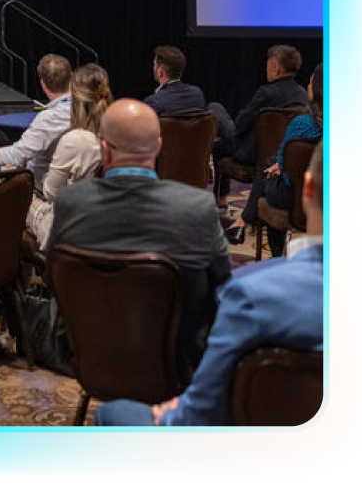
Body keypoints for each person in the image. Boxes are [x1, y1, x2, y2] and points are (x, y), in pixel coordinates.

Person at [94, 140, 323, 427]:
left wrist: (176, 412)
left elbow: (196, 419)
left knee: (112, 413)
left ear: (308, 187)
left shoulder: (250, 296)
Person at [47, 99, 229, 383]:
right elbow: (222, 281)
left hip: (90, 359)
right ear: (158, 146)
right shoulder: (199, 206)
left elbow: (55, 276)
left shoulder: (71, 202)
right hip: (179, 366)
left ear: (104, 150)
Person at [224, 63, 323, 253]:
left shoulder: (301, 123)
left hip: (295, 197)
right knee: (271, 165)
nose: (308, 87)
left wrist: (280, 164)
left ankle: (271, 250)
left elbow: (284, 162)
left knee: (269, 169)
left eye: (310, 83)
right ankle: (243, 221)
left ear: (317, 90)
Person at [209, 44, 310, 207]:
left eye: (268, 66)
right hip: (285, 157)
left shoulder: (266, 93)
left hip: (251, 155)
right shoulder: (303, 95)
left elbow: (240, 125)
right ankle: (220, 199)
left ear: (275, 69)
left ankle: (220, 200)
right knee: (221, 144)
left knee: (215, 108)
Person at [26, 63, 113, 250]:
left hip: (68, 226)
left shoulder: (75, 140)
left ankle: (23, 274)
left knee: (18, 195)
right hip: (107, 222)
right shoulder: (119, 134)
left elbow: (51, 193)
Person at [0, 53, 73, 193]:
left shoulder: (49, 118)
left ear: (43, 84)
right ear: (71, 78)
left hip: (42, 190)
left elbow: (18, 155)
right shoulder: (88, 109)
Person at [144, 45, 206, 115]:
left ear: (160, 72)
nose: (153, 68)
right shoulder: (197, 94)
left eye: (154, 65)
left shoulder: (153, 102)